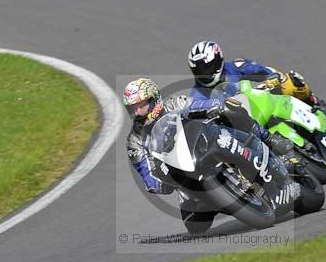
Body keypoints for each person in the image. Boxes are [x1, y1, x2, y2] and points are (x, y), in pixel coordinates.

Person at [123, 77, 293, 234]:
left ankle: (268, 138)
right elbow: (146, 173)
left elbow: (197, 105)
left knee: (232, 110)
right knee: (195, 225)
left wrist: (216, 106)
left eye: (141, 105)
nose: (137, 112)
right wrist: (161, 184)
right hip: (183, 174)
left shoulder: (174, 104)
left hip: (205, 142)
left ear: (155, 100)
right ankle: (231, 200)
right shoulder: (134, 141)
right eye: (133, 109)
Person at [187, 40, 326, 129]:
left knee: (290, 81)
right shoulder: (197, 93)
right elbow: (192, 109)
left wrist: (272, 79)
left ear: (218, 60)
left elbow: (266, 71)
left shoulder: (236, 67)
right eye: (199, 70)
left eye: (207, 68)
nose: (204, 73)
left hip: (261, 101)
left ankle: (319, 106)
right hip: (244, 124)